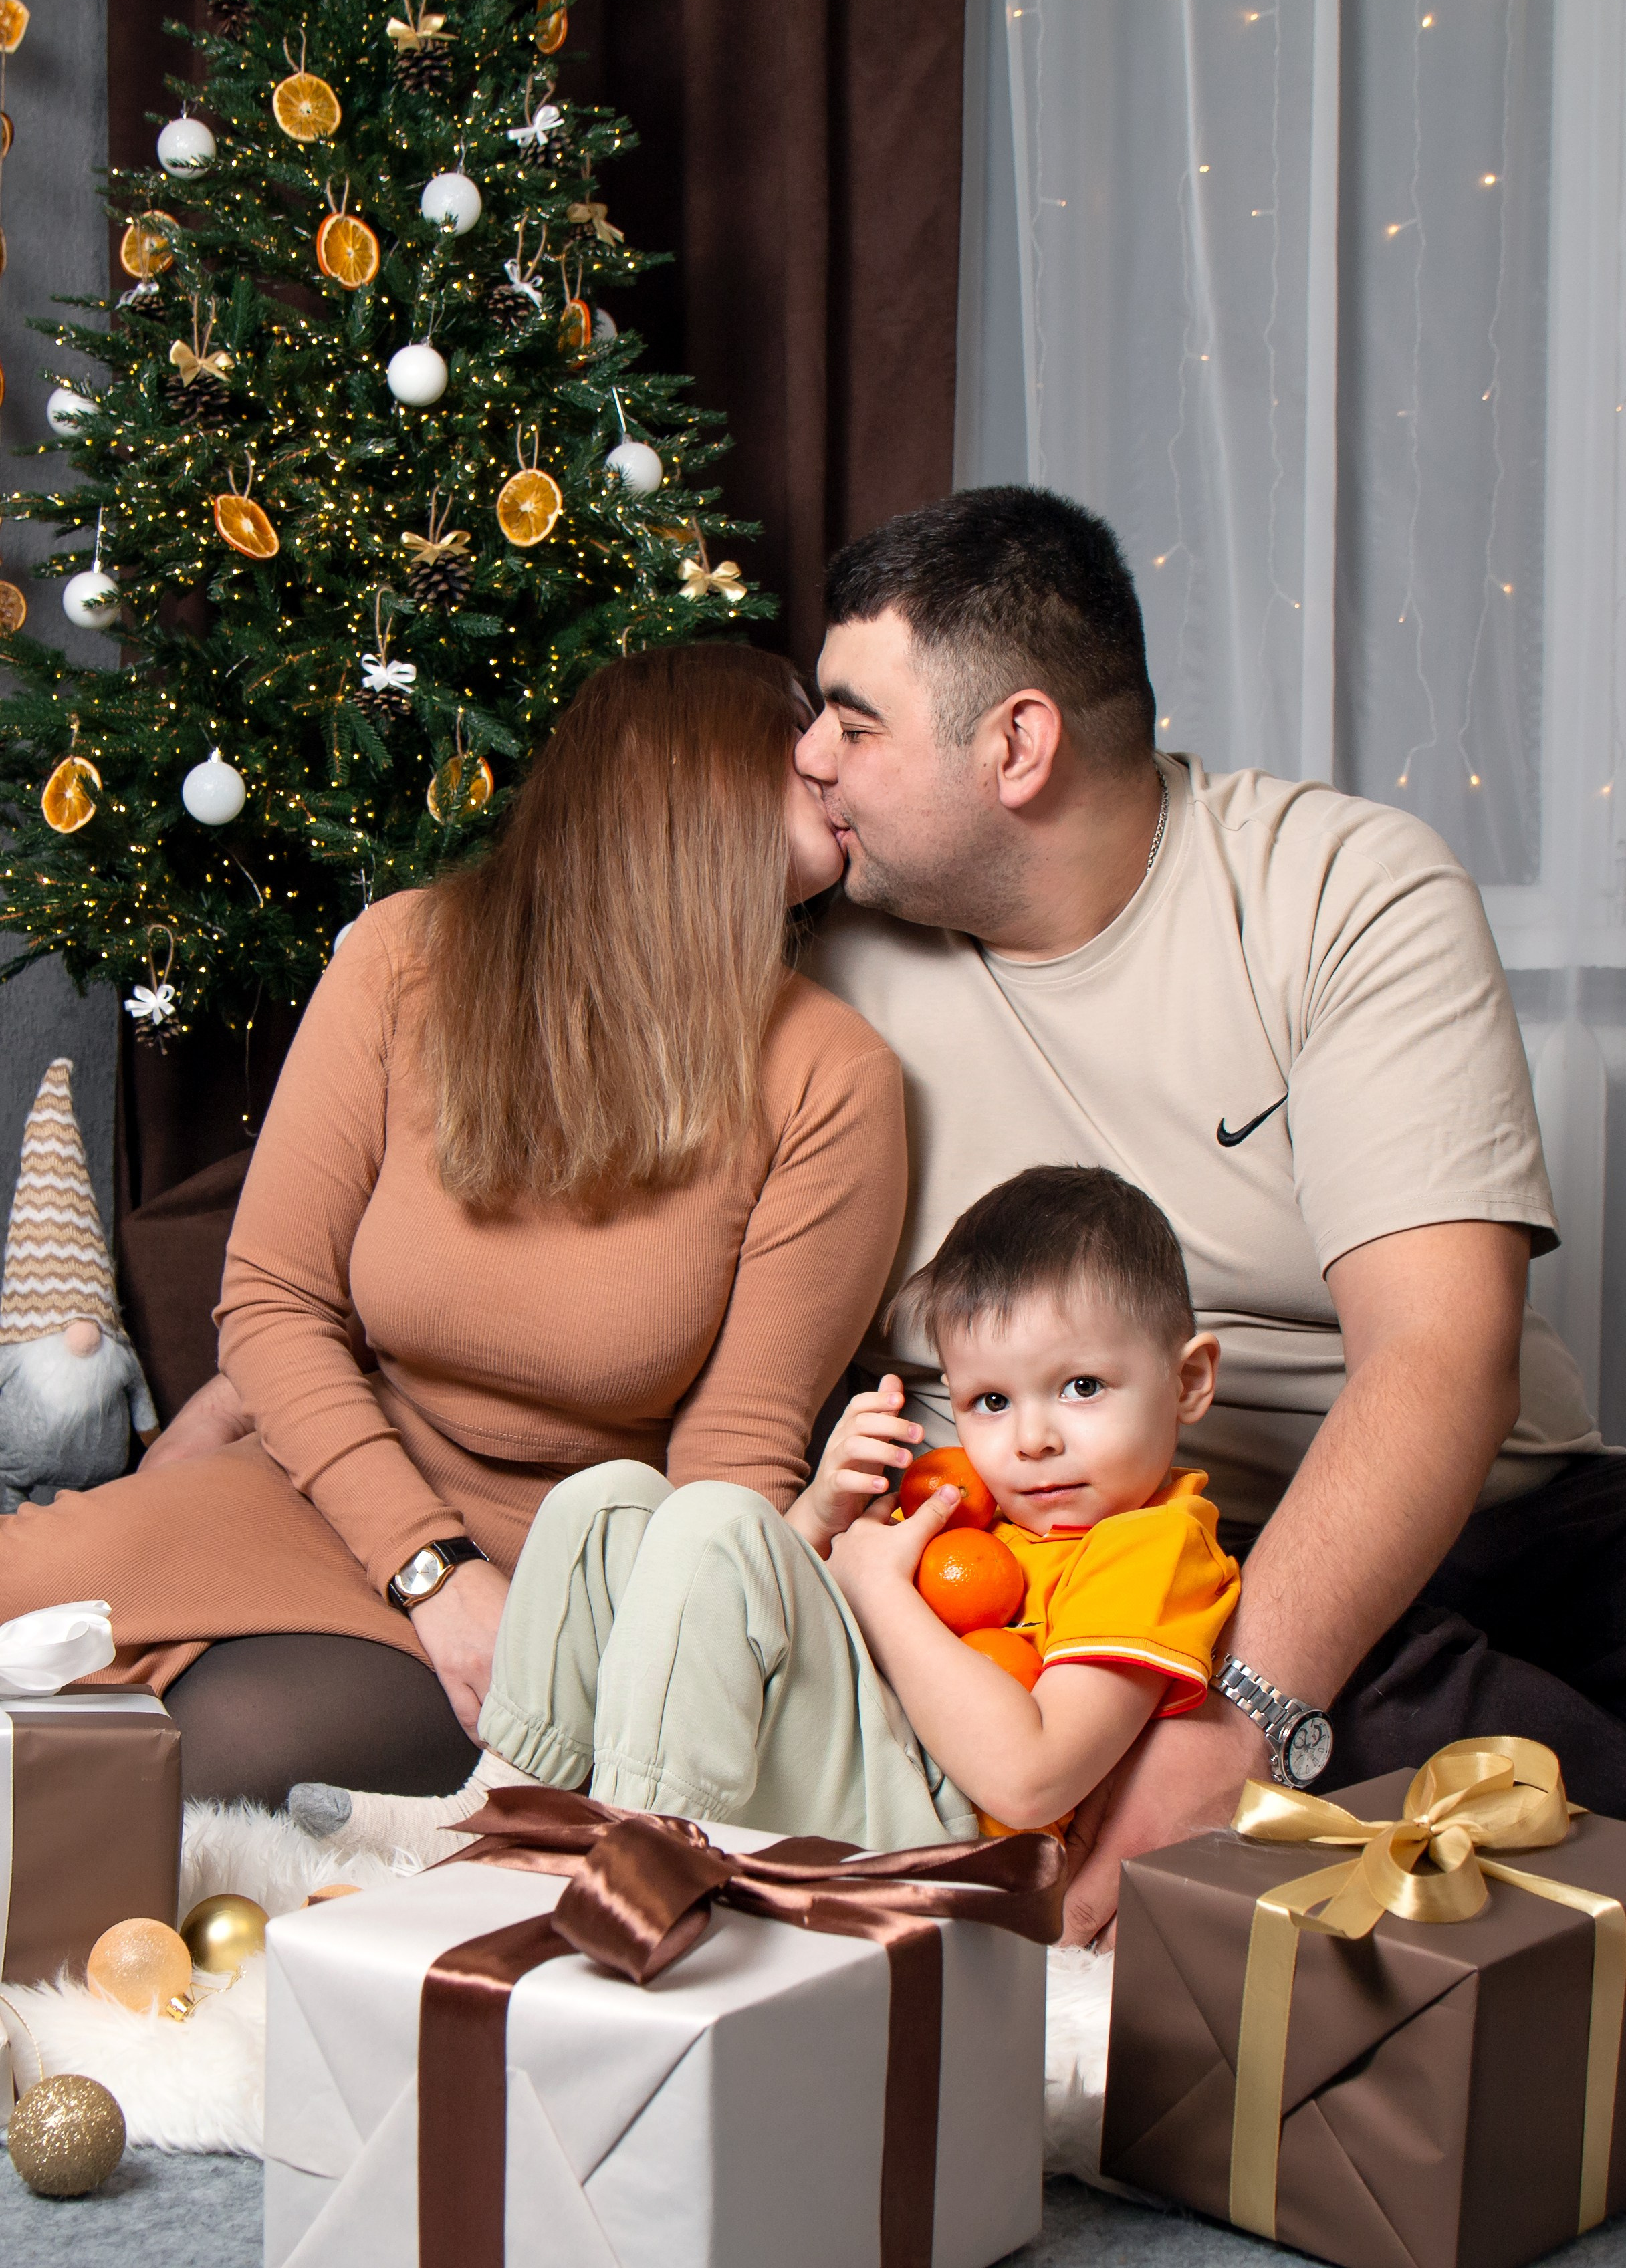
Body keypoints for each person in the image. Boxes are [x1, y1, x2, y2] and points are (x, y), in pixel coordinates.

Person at [790, 484, 1626, 1941]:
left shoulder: (1340, 887)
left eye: (855, 725)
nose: (808, 762)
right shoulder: (819, 953)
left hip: (1432, 1509)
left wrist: (1240, 1713)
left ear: (1018, 744)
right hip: (1041, 1543)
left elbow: (1437, 1360)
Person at [0, 644, 907, 1806]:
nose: (835, 770)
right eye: (803, 747)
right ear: (698, 773)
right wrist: (431, 1570)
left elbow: (733, 1470)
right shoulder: (406, 956)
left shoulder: (833, 1077)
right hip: (335, 1485)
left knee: (208, 1766)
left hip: (564, 1573)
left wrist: (600, 1669)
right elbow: (275, 1301)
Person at [289, 1164, 1240, 1863]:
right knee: (612, 1502)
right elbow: (732, 1614)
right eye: (991, 1401)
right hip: (858, 1765)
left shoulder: (1151, 1544)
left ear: (1188, 1381)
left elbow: (1030, 1779)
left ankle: (637, 1862)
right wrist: (825, 1516)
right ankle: (500, 1808)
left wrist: (875, 1583)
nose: (1031, 1440)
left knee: (714, 1517)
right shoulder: (958, 1494)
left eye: (1080, 1387)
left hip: (943, 1845)